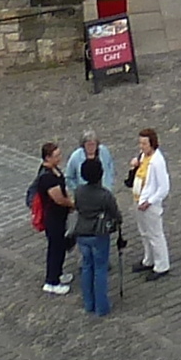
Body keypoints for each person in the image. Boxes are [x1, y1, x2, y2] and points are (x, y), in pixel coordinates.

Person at [72, 148, 123, 315]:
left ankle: (89, 303)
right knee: (100, 269)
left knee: (87, 267)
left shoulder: (79, 191)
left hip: (82, 233)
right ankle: (102, 307)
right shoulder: (104, 195)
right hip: (98, 234)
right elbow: (115, 213)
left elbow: (77, 207)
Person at [29, 144, 77, 292]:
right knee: (55, 248)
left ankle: (58, 273)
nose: (59, 157)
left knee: (60, 246)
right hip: (53, 218)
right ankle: (52, 282)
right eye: (56, 155)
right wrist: (72, 204)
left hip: (59, 215)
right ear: (48, 158)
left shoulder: (53, 170)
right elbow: (58, 198)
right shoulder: (47, 177)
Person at [129, 127, 173, 278]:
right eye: (140, 143)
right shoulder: (143, 156)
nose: (141, 147)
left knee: (155, 234)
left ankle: (162, 265)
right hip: (139, 200)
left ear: (152, 144)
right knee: (144, 233)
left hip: (150, 205)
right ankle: (149, 260)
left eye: (144, 144)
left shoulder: (157, 162)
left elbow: (164, 187)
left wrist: (150, 201)